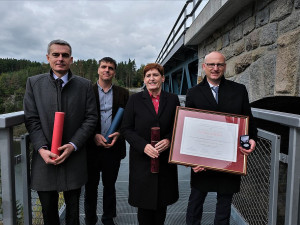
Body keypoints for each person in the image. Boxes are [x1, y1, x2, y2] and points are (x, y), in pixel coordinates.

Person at [23, 39, 98, 225]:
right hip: (44, 159)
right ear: (48, 58)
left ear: (71, 59)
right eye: (55, 55)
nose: (60, 59)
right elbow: (31, 119)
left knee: (73, 215)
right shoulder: (34, 83)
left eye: (65, 55)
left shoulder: (85, 85)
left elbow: (91, 118)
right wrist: (41, 148)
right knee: (49, 215)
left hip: (74, 158)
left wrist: (73, 145)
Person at [185, 51, 258, 225]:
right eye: (211, 64)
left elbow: (247, 119)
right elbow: (188, 128)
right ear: (204, 67)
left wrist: (252, 139)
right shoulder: (193, 92)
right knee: (195, 202)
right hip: (202, 159)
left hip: (229, 158)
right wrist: (190, 160)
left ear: (225, 67)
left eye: (219, 65)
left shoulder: (239, 90)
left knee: (224, 205)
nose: (215, 68)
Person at [121, 63, 179, 225]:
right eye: (148, 76)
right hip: (142, 160)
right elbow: (126, 129)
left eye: (155, 75)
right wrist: (143, 146)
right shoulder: (134, 100)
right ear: (144, 80)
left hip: (164, 160)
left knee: (161, 205)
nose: (152, 78)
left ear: (163, 78)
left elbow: (178, 126)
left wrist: (168, 140)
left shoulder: (173, 99)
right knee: (144, 206)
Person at [84, 57, 129, 225]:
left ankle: (108, 218)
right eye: (104, 67)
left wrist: (120, 133)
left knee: (110, 186)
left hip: (113, 146)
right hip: (91, 147)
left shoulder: (123, 93)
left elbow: (129, 120)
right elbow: (81, 118)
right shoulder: (87, 91)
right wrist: (93, 135)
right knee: (91, 187)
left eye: (110, 68)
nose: (107, 70)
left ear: (114, 72)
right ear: (98, 70)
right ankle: (90, 219)